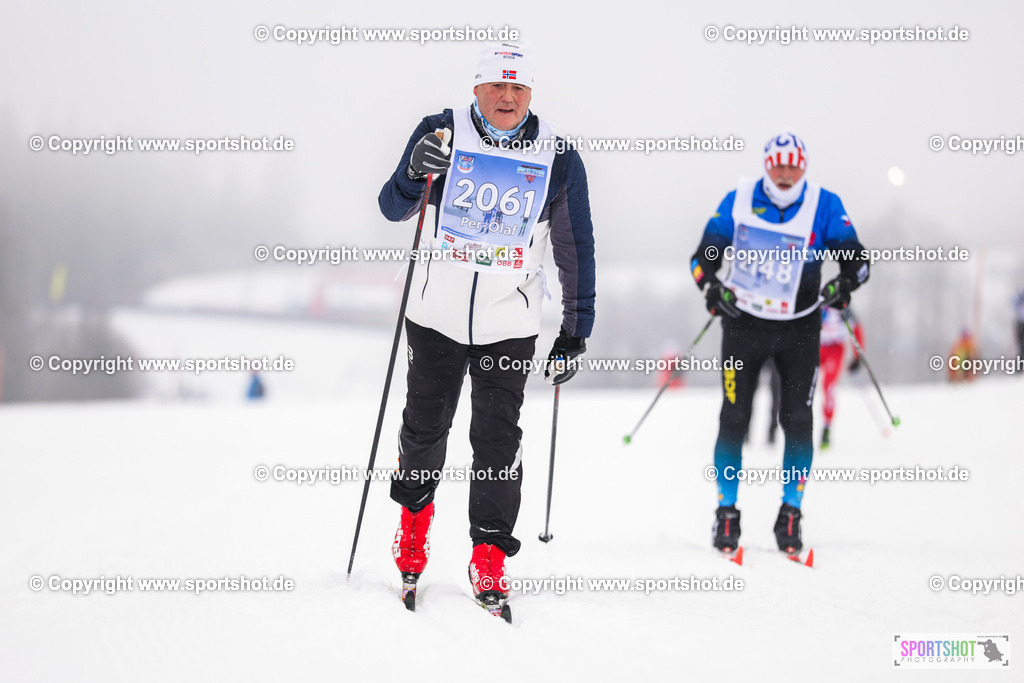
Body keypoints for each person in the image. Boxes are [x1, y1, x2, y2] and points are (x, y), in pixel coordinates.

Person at [377, 41, 596, 614]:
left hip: (509, 322)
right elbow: (393, 207)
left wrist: (576, 329)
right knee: (423, 432)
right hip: (435, 317)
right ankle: (413, 537)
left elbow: (576, 249)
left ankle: (490, 557)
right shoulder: (441, 133)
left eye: (518, 88)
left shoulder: (559, 157)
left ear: (530, 95)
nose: (507, 97)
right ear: (476, 90)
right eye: (496, 86)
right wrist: (412, 173)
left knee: (497, 444)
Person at [689, 132, 870, 554]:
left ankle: (791, 511)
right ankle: (726, 512)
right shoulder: (739, 198)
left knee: (797, 420)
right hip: (744, 325)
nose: (786, 174)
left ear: (804, 167)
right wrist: (711, 287)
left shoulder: (824, 204)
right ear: (766, 164)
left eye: (794, 166)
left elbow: (858, 261)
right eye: (778, 165)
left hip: (799, 329)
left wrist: (844, 284)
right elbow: (703, 257)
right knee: (734, 417)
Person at [818, 306, 864, 448]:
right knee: (804, 383)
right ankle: (799, 424)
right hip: (816, 345)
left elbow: (856, 329)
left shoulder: (843, 308)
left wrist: (857, 357)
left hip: (835, 348)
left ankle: (827, 426)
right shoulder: (816, 301)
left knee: (829, 386)